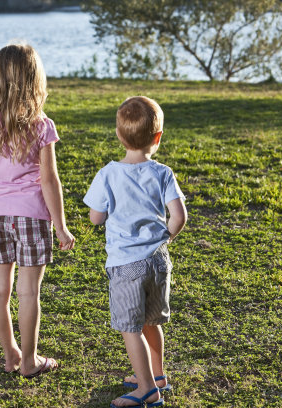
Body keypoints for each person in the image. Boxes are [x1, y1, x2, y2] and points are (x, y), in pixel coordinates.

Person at [0, 44, 75, 378]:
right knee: (29, 291)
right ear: (35, 79)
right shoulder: (41, 124)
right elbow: (49, 180)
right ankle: (29, 361)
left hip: (0, 216)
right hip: (33, 216)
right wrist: (60, 225)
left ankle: (10, 357)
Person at [84, 96, 187, 407]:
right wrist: (165, 237)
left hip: (126, 265)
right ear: (157, 138)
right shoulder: (163, 172)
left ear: (119, 135)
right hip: (158, 260)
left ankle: (146, 389)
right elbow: (179, 217)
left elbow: (96, 217)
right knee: (151, 321)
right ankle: (158, 375)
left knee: (131, 329)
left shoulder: (108, 174)